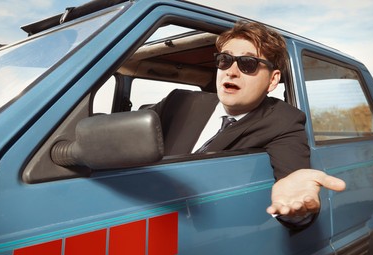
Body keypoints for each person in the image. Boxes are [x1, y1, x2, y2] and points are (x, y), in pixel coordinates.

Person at [148, 20, 345, 227]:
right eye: (225, 60)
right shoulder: (178, 101)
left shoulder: (283, 120)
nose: (231, 71)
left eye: (248, 63)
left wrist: (296, 210)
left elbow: (293, 182)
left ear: (272, 80)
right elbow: (121, 135)